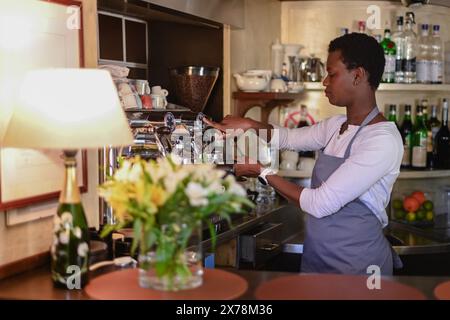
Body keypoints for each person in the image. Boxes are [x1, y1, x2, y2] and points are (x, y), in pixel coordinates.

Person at [204, 33, 404, 275]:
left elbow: (320, 203)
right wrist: (248, 124)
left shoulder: (381, 140)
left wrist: (262, 172)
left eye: (332, 74)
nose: (324, 82)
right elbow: (288, 139)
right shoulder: (335, 126)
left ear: (358, 75)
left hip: (360, 268)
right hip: (318, 261)